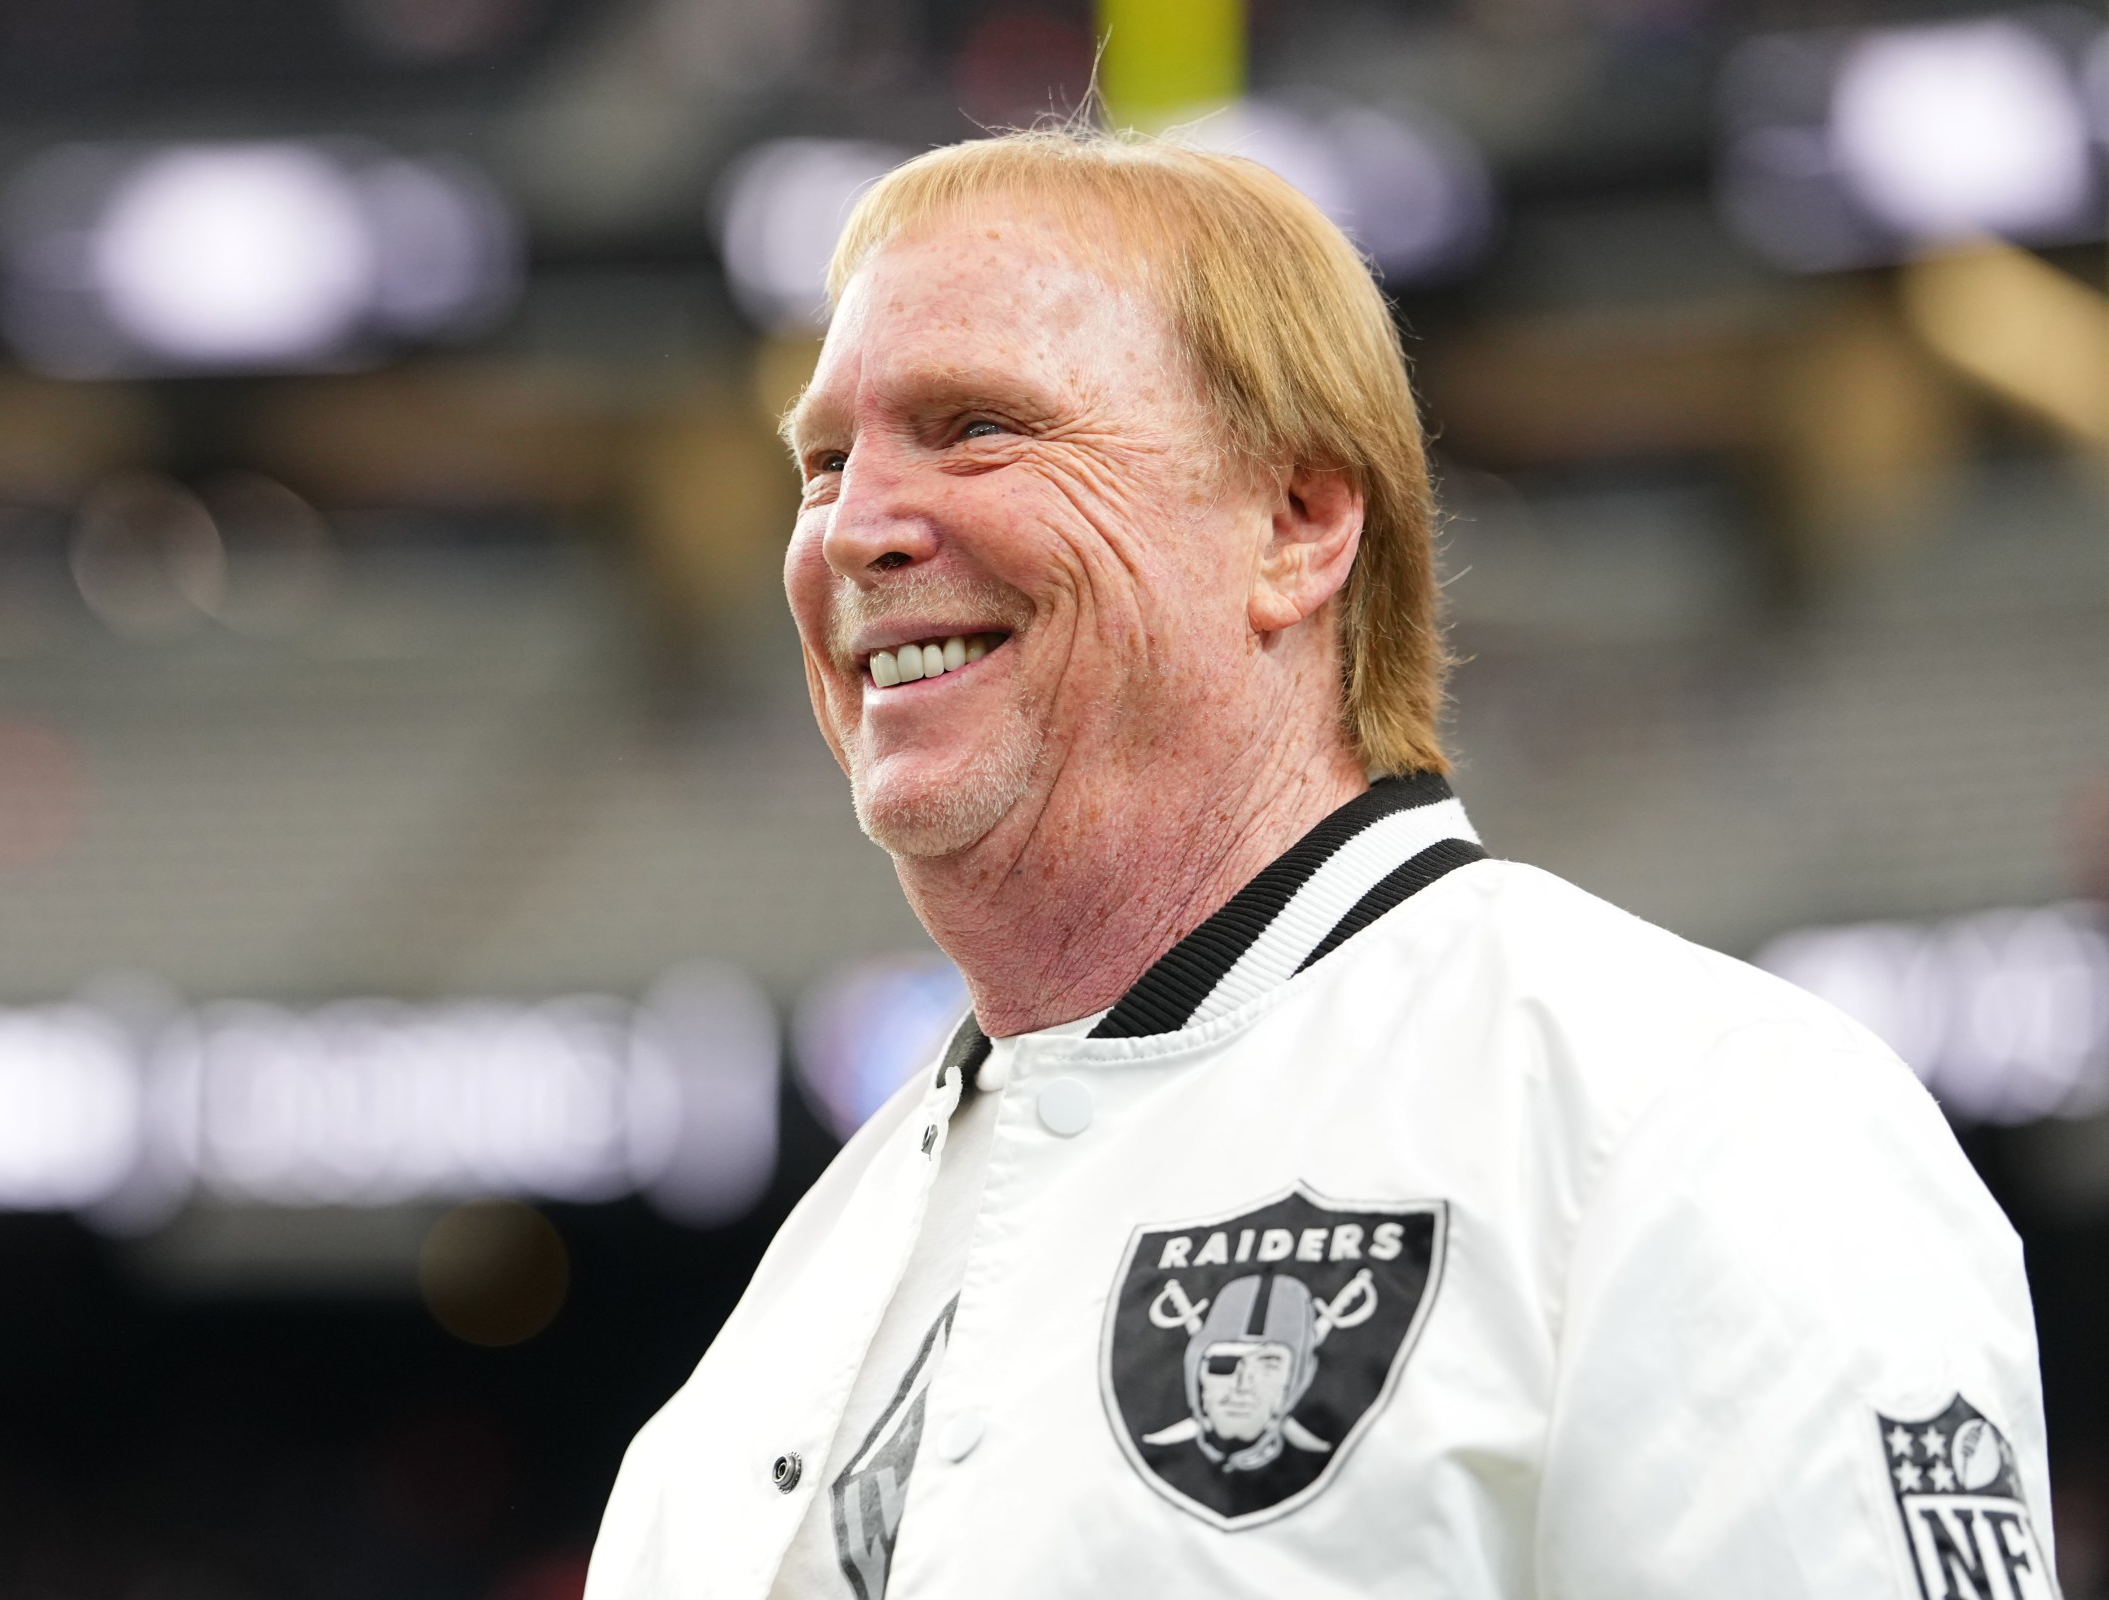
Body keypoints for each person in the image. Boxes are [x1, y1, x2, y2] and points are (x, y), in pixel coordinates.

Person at [586, 125, 2056, 1600]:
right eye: (825, 461)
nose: (858, 531)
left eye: (977, 427)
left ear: (1296, 525)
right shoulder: (803, 1293)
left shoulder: (1694, 1118)